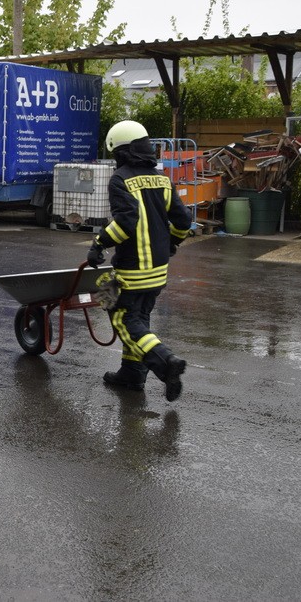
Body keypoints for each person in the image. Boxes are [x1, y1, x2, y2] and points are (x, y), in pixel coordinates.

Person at [86, 120, 192, 402]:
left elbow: (126, 222)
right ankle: (132, 374)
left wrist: (99, 243)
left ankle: (165, 361)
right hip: (158, 272)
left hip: (132, 270)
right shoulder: (162, 178)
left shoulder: (120, 179)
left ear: (120, 151)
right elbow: (183, 220)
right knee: (140, 319)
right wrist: (173, 242)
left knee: (121, 315)